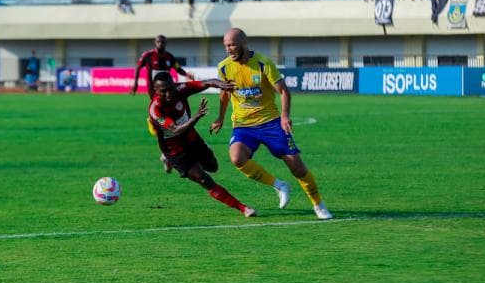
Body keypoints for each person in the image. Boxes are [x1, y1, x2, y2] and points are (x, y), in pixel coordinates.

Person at [209, 28, 333, 220]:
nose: (228, 49)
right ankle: (279, 185)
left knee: (297, 168)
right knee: (237, 158)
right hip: (243, 125)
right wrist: (220, 118)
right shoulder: (224, 67)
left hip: (271, 123)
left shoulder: (262, 63)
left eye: (232, 44)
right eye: (226, 45)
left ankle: (318, 205)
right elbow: (224, 95)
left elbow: (283, 91)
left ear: (244, 43)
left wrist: (284, 116)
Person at [149, 72, 256, 217]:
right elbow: (176, 129)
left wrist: (221, 84)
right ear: (155, 91)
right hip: (175, 151)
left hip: (192, 140)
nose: (169, 93)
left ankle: (176, 162)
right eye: (163, 91)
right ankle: (243, 208)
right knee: (203, 178)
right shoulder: (155, 109)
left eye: (171, 88)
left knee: (213, 166)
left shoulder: (180, 89)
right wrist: (196, 117)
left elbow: (206, 82)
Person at [130, 35, 195, 172]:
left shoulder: (169, 57)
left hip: (169, 95)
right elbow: (137, 67)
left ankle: (167, 155)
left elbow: (177, 68)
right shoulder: (147, 55)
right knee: (167, 125)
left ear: (165, 43)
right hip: (155, 96)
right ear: (155, 42)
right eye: (158, 41)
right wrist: (135, 84)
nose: (160, 43)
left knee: (170, 124)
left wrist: (186, 74)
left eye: (163, 42)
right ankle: (168, 154)